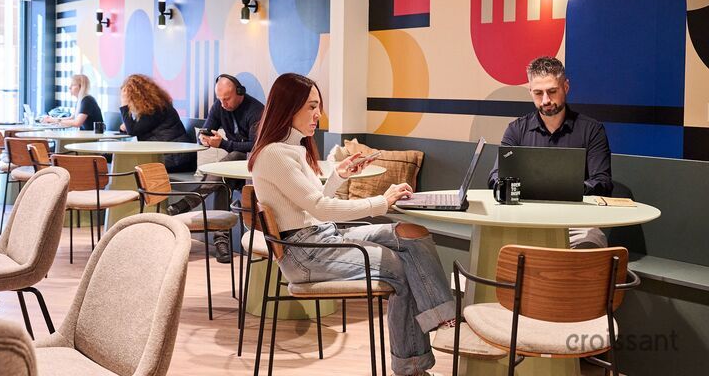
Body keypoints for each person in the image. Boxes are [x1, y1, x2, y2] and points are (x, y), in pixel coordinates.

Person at [249, 73, 455, 376]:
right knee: (401, 268)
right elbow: (320, 209)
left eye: (318, 106)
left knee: (412, 234)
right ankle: (413, 368)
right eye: (311, 106)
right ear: (288, 107)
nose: (319, 114)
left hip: (320, 239)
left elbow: (313, 204)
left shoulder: (292, 149)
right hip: (305, 253)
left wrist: (339, 175)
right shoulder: (274, 155)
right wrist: (382, 202)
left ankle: (443, 318)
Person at [488, 56, 613, 248]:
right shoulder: (516, 130)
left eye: (552, 91)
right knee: (491, 244)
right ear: (530, 91)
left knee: (592, 242)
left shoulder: (592, 130)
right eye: (538, 93)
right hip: (524, 219)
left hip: (576, 223)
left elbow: (603, 182)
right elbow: (496, 176)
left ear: (566, 87)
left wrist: (569, 189)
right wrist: (507, 186)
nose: (546, 100)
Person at [173, 74, 264, 264]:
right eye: (220, 99)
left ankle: (188, 203)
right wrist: (203, 138)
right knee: (223, 181)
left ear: (240, 92)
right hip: (233, 169)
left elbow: (255, 146)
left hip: (254, 166)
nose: (223, 104)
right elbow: (207, 129)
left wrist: (223, 143)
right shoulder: (219, 107)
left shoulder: (256, 110)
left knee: (230, 161)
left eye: (227, 99)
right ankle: (221, 241)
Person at [119, 74, 195, 173]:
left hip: (176, 158)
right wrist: (126, 127)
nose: (130, 103)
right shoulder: (154, 107)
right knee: (124, 162)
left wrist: (124, 105)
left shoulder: (156, 109)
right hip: (169, 155)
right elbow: (135, 129)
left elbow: (133, 131)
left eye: (130, 98)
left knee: (127, 165)